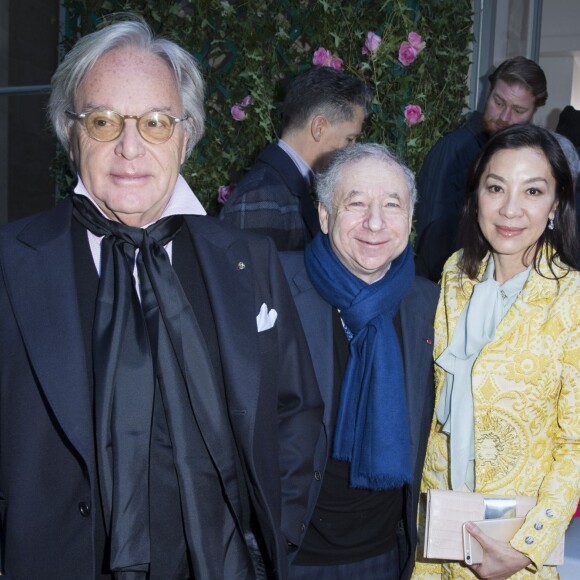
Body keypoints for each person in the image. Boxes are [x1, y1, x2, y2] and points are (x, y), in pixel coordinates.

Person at [0, 17, 324, 579]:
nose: (130, 146)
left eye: (155, 122)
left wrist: (272, 536)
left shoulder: (251, 261)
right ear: (68, 131)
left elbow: (295, 413)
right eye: (102, 121)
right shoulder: (9, 263)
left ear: (185, 133)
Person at [413, 125, 580, 579]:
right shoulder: (454, 276)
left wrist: (529, 546)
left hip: (513, 543)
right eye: (495, 188)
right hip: (435, 531)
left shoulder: (572, 299)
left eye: (532, 190)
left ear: (556, 204)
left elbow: (576, 445)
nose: (510, 209)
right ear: (476, 196)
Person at [280, 143, 439, 580]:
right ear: (325, 216)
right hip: (289, 554)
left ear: (410, 218)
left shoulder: (430, 303)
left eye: (392, 204)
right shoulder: (273, 288)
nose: (375, 222)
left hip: (386, 553)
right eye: (356, 203)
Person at [415, 56, 548, 282]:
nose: (504, 117)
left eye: (518, 110)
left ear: (534, 111)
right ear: (488, 92)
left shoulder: (529, 157)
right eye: (498, 102)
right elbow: (432, 238)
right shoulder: (454, 149)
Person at [220, 66, 372, 251]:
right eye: (349, 139)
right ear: (319, 127)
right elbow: (250, 278)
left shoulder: (288, 186)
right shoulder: (261, 196)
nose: (351, 149)